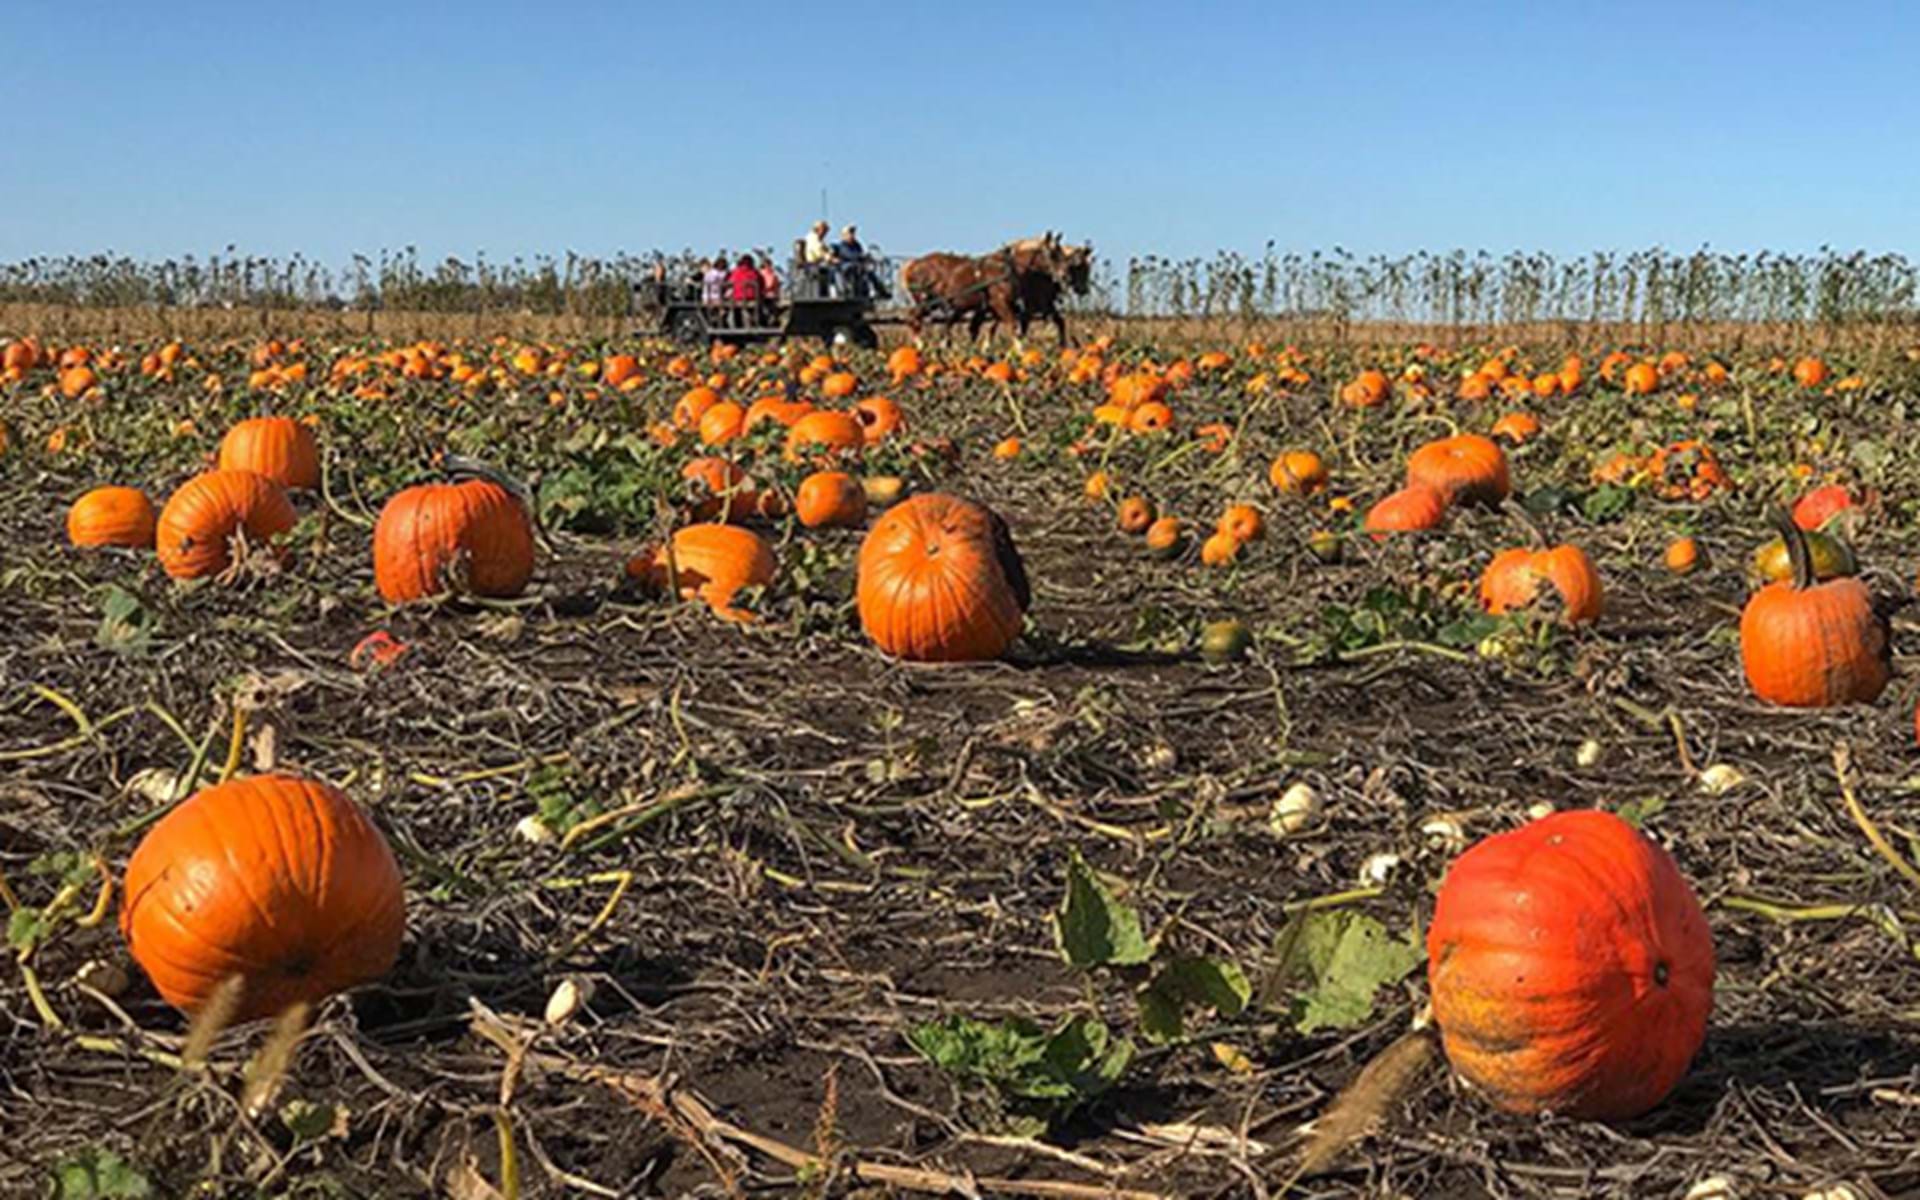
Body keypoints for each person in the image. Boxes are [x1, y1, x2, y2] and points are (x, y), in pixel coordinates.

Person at [831, 224, 868, 299]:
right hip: (844, 266)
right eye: (850, 233)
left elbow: (861, 253)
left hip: (857, 265)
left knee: (869, 271)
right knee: (853, 267)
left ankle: (878, 290)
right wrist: (861, 256)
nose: (852, 235)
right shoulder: (843, 245)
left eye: (853, 233)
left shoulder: (857, 245)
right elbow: (850, 255)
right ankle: (849, 291)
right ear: (844, 235)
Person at [728, 253, 762, 327]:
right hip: (751, 297)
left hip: (737, 297)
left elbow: (730, 282)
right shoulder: (754, 272)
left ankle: (734, 327)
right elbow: (761, 283)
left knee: (733, 309)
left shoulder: (735, 271)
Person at [802, 221, 833, 297]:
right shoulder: (813, 238)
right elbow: (819, 253)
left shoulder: (819, 240)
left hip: (818, 264)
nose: (825, 233)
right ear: (818, 229)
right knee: (835, 270)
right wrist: (830, 258)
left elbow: (827, 250)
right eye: (824, 230)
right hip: (813, 265)